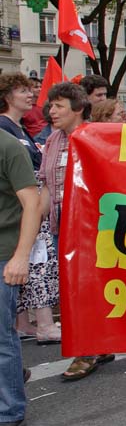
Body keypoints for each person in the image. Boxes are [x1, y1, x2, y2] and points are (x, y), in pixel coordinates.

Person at [41, 84, 115, 380]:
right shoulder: (51, 142)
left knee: (85, 290)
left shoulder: (96, 138)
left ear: (78, 108)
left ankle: (87, 351)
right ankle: (99, 343)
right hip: (62, 228)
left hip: (91, 230)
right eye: (51, 106)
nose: (51, 111)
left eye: (58, 105)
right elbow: (47, 186)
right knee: (77, 289)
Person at [0, 75, 57, 346]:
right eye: (23, 90)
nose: (30, 94)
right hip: (20, 212)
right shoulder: (7, 130)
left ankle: (22, 323)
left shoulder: (19, 129)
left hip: (26, 211)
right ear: (7, 96)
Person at [0, 120, 42, 426]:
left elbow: (32, 204)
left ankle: (10, 410)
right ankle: (14, 376)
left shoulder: (9, 147)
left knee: (1, 337)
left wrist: (21, 256)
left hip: (4, 255)